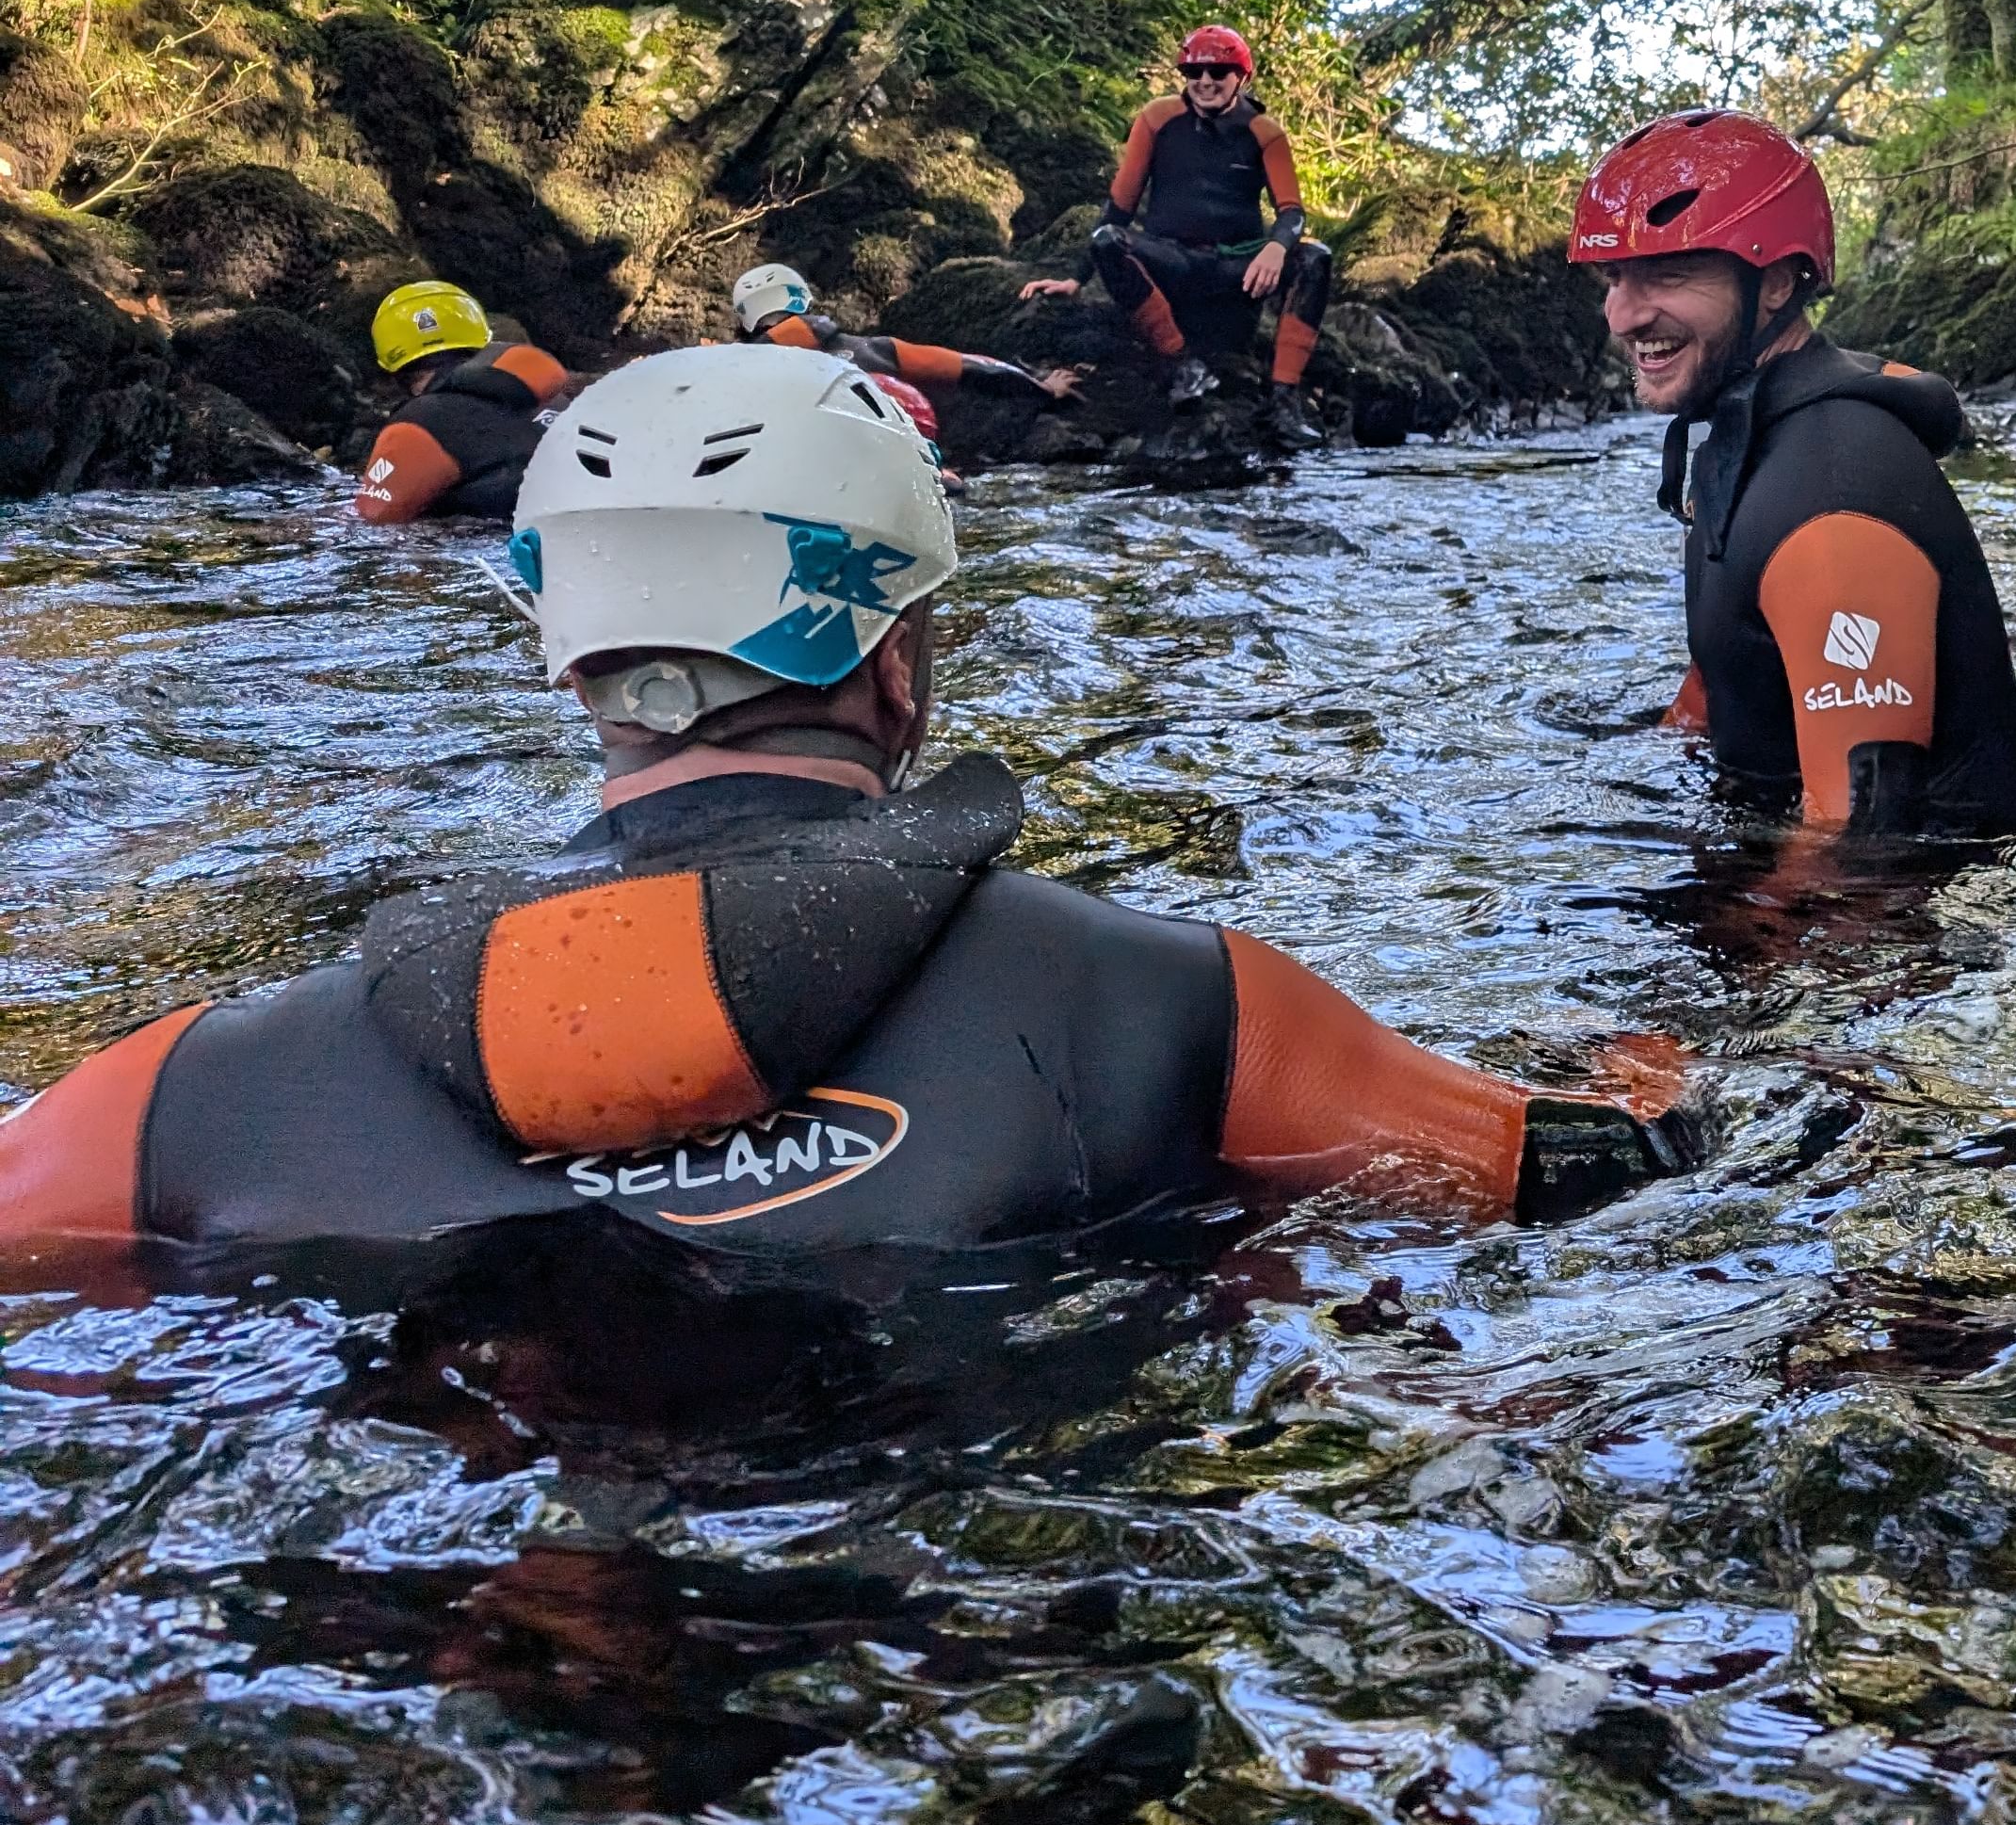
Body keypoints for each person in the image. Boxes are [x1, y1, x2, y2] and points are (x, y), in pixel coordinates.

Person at [0, 343, 1702, 1249]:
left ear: (571, 660)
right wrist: (1672, 1071)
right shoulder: (1177, 1005)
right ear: (896, 663)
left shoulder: (183, 1093)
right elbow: (1581, 1174)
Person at [1572, 108, 2016, 837]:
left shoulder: (1832, 494)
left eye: (1668, 274)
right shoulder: (1750, 432)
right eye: (1615, 278)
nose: (1622, 317)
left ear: (1774, 283)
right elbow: (1737, 653)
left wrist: (1742, 940)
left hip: (1902, 904)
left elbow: (1860, 840)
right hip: (1770, 840)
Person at [1018, 26, 1335, 427]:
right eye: (1193, 73)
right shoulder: (1157, 118)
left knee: (1315, 258)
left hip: (1235, 270)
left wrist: (1275, 248)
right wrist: (1075, 279)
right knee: (1108, 242)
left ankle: (1284, 398)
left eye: (1218, 72)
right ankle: (1183, 366)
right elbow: (1120, 205)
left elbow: (1291, 212)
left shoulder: (1264, 133)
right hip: (1174, 260)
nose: (1204, 82)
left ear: (1241, 77)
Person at [353, 279, 573, 525]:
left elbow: (374, 518)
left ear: (392, 369)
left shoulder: (419, 422)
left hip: (504, 543)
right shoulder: (550, 397)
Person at [730, 264, 1084, 413]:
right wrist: (1042, 388)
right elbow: (973, 368)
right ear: (804, 301)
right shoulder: (870, 351)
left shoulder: (727, 366)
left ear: (745, 321)